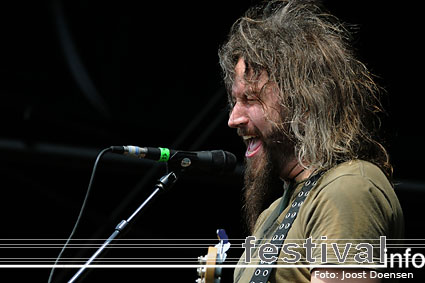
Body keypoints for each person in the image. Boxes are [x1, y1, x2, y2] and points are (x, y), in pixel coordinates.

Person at [218, 0, 404, 282]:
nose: (234, 118)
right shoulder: (272, 214)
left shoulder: (347, 188)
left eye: (251, 99)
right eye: (235, 100)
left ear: (304, 102)